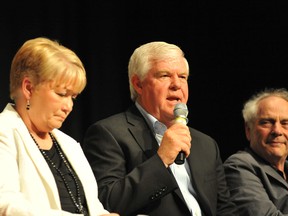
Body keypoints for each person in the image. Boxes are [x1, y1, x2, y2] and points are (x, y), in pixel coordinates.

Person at [82, 41, 237, 216]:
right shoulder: (108, 134)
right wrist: (161, 159)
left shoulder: (206, 144)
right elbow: (107, 202)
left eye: (183, 77)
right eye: (164, 75)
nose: (176, 84)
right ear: (138, 84)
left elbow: (226, 209)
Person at [0, 37, 119, 216]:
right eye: (62, 94)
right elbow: (5, 205)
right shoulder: (4, 131)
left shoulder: (69, 144)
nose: (68, 106)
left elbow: (91, 206)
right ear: (29, 88)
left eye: (73, 97)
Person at [223, 88, 288, 215]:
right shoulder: (238, 165)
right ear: (248, 130)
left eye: (285, 123)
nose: (277, 131)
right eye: (267, 123)